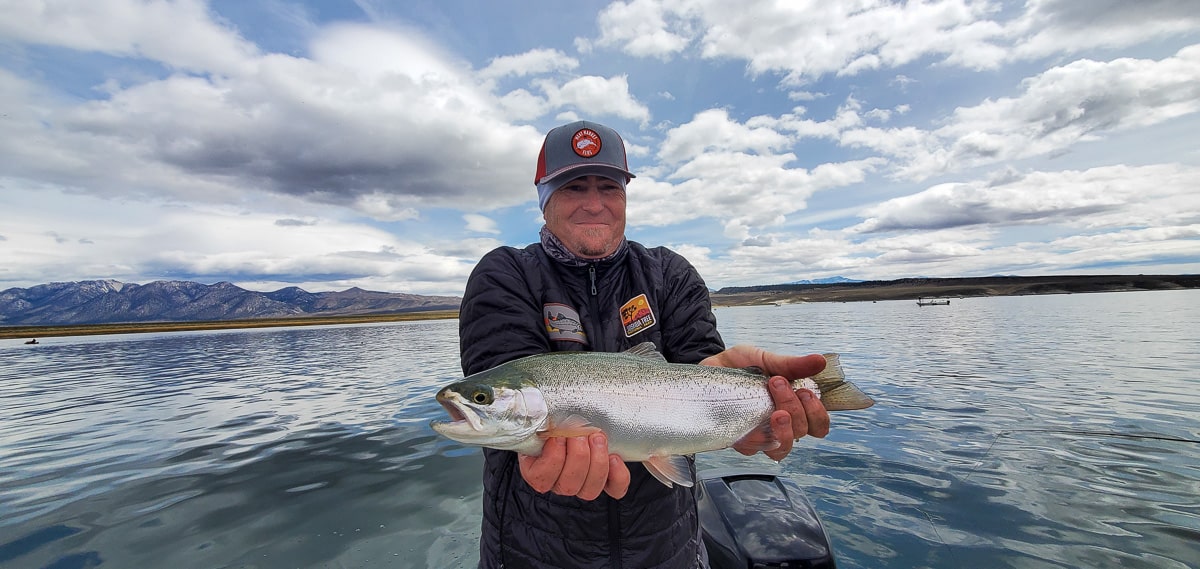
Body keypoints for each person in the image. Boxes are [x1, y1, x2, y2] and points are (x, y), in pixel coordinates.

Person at [458, 120, 831, 569]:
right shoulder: (504, 275)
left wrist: (746, 416)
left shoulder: (670, 273)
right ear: (544, 200)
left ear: (625, 197)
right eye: (575, 187)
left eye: (609, 187)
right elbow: (507, 372)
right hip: (531, 552)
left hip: (668, 549)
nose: (594, 204)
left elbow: (700, 365)